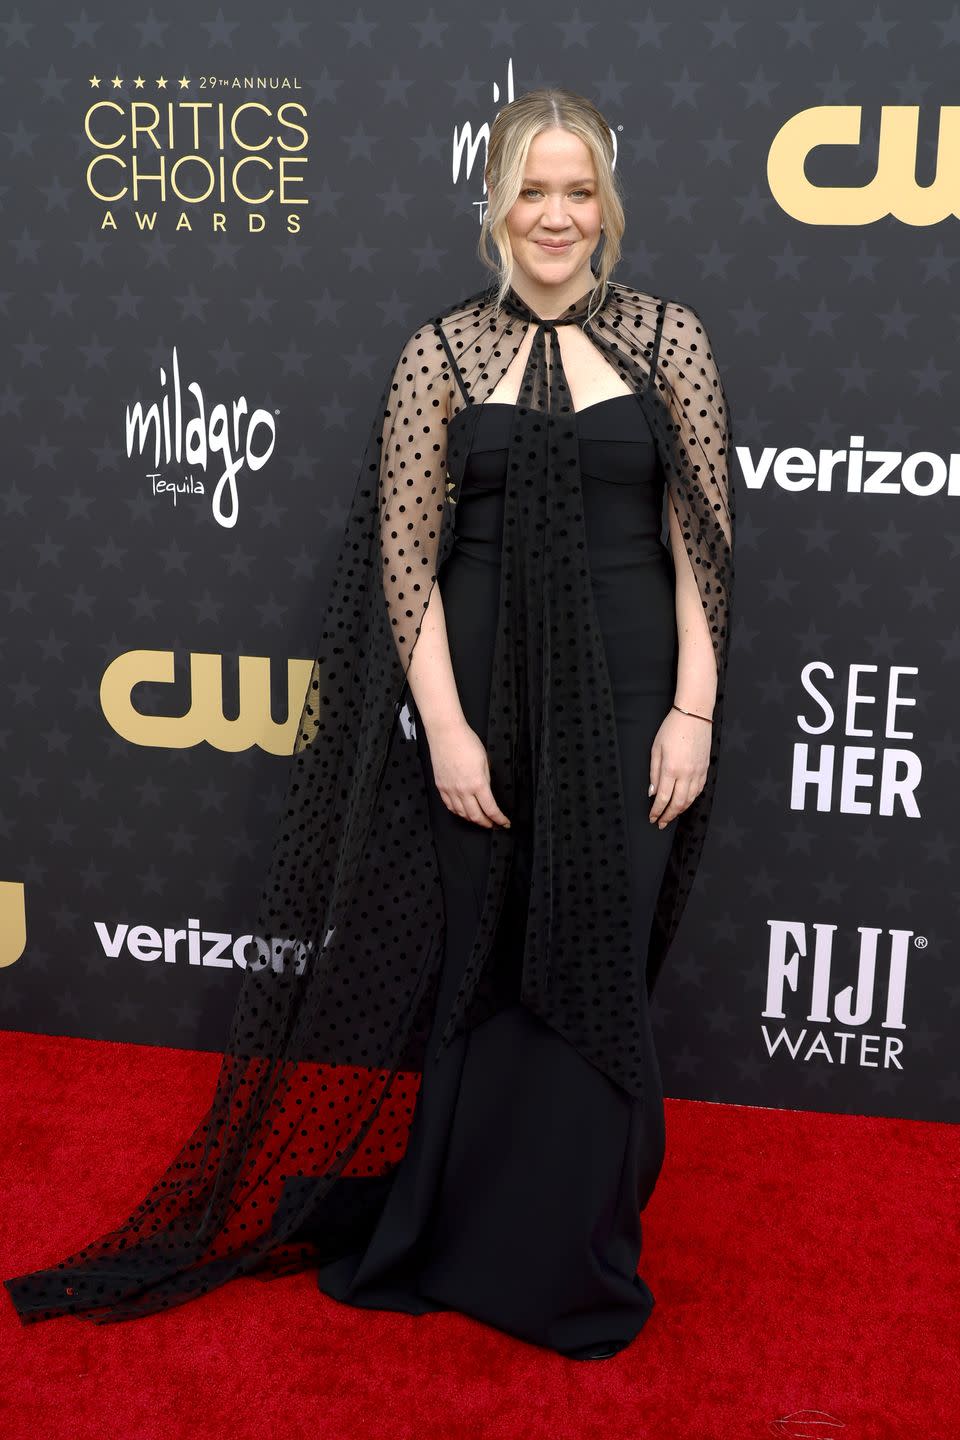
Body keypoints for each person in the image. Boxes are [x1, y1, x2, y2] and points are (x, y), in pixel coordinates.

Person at [4, 88, 734, 1361]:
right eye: (531, 189)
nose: (554, 216)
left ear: (606, 206)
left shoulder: (673, 340)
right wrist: (445, 731)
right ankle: (457, 1239)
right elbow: (407, 562)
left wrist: (692, 710)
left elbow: (703, 542)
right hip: (481, 704)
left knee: (594, 961)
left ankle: (573, 1252)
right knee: (485, 967)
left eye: (578, 192)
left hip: (631, 705)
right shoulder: (439, 354)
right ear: (495, 202)